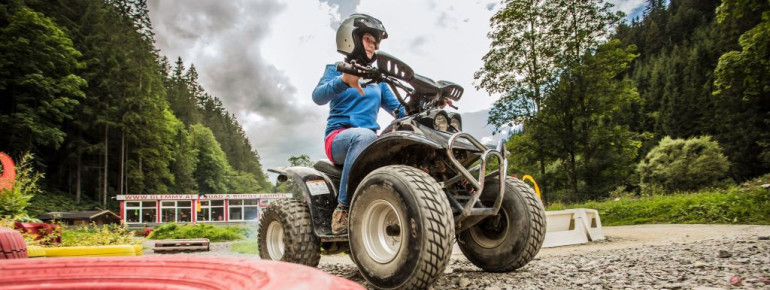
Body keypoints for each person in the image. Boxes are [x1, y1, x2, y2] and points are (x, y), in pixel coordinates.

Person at [312, 14, 405, 235]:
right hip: (339, 138)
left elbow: (399, 110)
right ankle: (342, 210)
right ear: (351, 39)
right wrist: (344, 80)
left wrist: (429, 105)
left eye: (375, 42)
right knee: (365, 135)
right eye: (367, 40)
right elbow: (318, 96)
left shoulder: (378, 81)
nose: (372, 46)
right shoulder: (335, 69)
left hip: (369, 141)